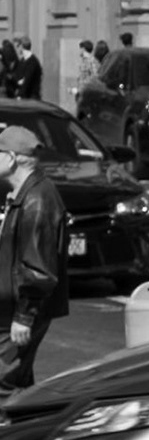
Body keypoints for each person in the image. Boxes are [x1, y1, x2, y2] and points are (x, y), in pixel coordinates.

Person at [0, 126, 68, 396]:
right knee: (18, 382)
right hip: (10, 310)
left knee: (4, 383)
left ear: (11, 158)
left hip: (19, 313)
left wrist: (24, 317)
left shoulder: (37, 200)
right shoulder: (24, 194)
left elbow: (39, 269)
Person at [10, 37, 42, 101]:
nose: (17, 49)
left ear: (21, 46)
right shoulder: (22, 60)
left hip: (31, 98)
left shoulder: (33, 61)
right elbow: (17, 76)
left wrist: (19, 95)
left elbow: (27, 80)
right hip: (24, 97)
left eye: (18, 46)